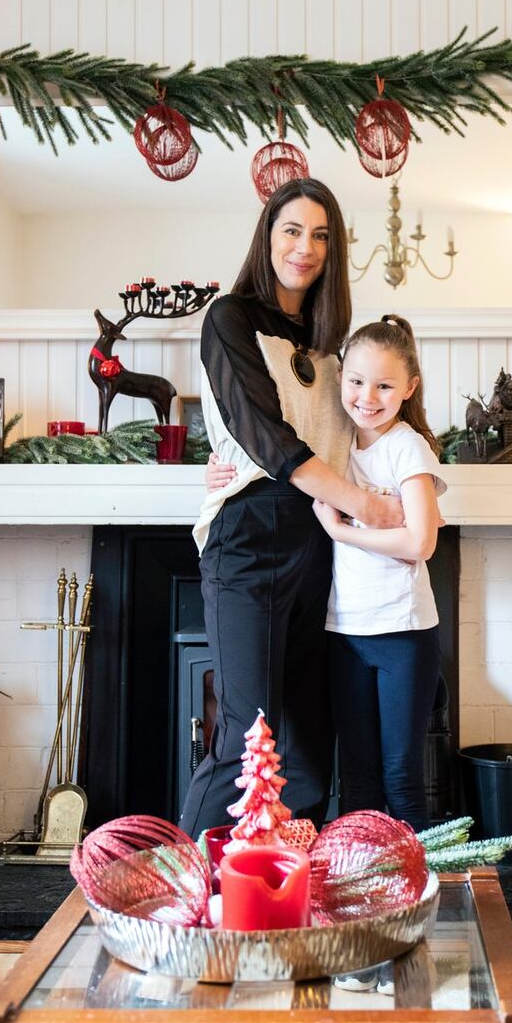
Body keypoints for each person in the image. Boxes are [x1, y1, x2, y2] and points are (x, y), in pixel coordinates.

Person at [179, 178, 402, 841]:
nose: (306, 247)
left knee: (306, 751)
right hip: (250, 535)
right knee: (246, 739)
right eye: (292, 230)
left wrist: (398, 483)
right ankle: (177, 900)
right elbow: (268, 439)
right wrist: (364, 503)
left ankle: (289, 898)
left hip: (324, 539)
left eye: (321, 235)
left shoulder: (335, 344)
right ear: (268, 236)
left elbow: (371, 419)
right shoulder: (229, 318)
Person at [311, 315, 446, 834]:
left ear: (408, 388)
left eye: (385, 385)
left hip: (403, 635)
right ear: (341, 379)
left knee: (400, 774)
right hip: (344, 631)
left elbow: (420, 542)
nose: (368, 396)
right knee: (359, 776)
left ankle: (416, 890)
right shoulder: (336, 443)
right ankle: (359, 880)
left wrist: (345, 531)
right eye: (357, 381)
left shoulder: (407, 448)